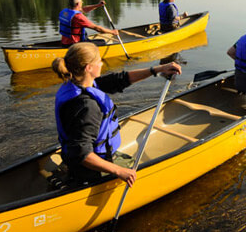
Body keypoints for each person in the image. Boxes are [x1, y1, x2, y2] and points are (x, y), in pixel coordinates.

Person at [52, 42, 182, 186]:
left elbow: (119, 80)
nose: (101, 64)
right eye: (99, 61)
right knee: (141, 170)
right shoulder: (87, 106)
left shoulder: (75, 84)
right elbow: (81, 153)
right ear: (89, 67)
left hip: (74, 159)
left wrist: (157, 69)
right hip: (89, 170)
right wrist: (119, 171)